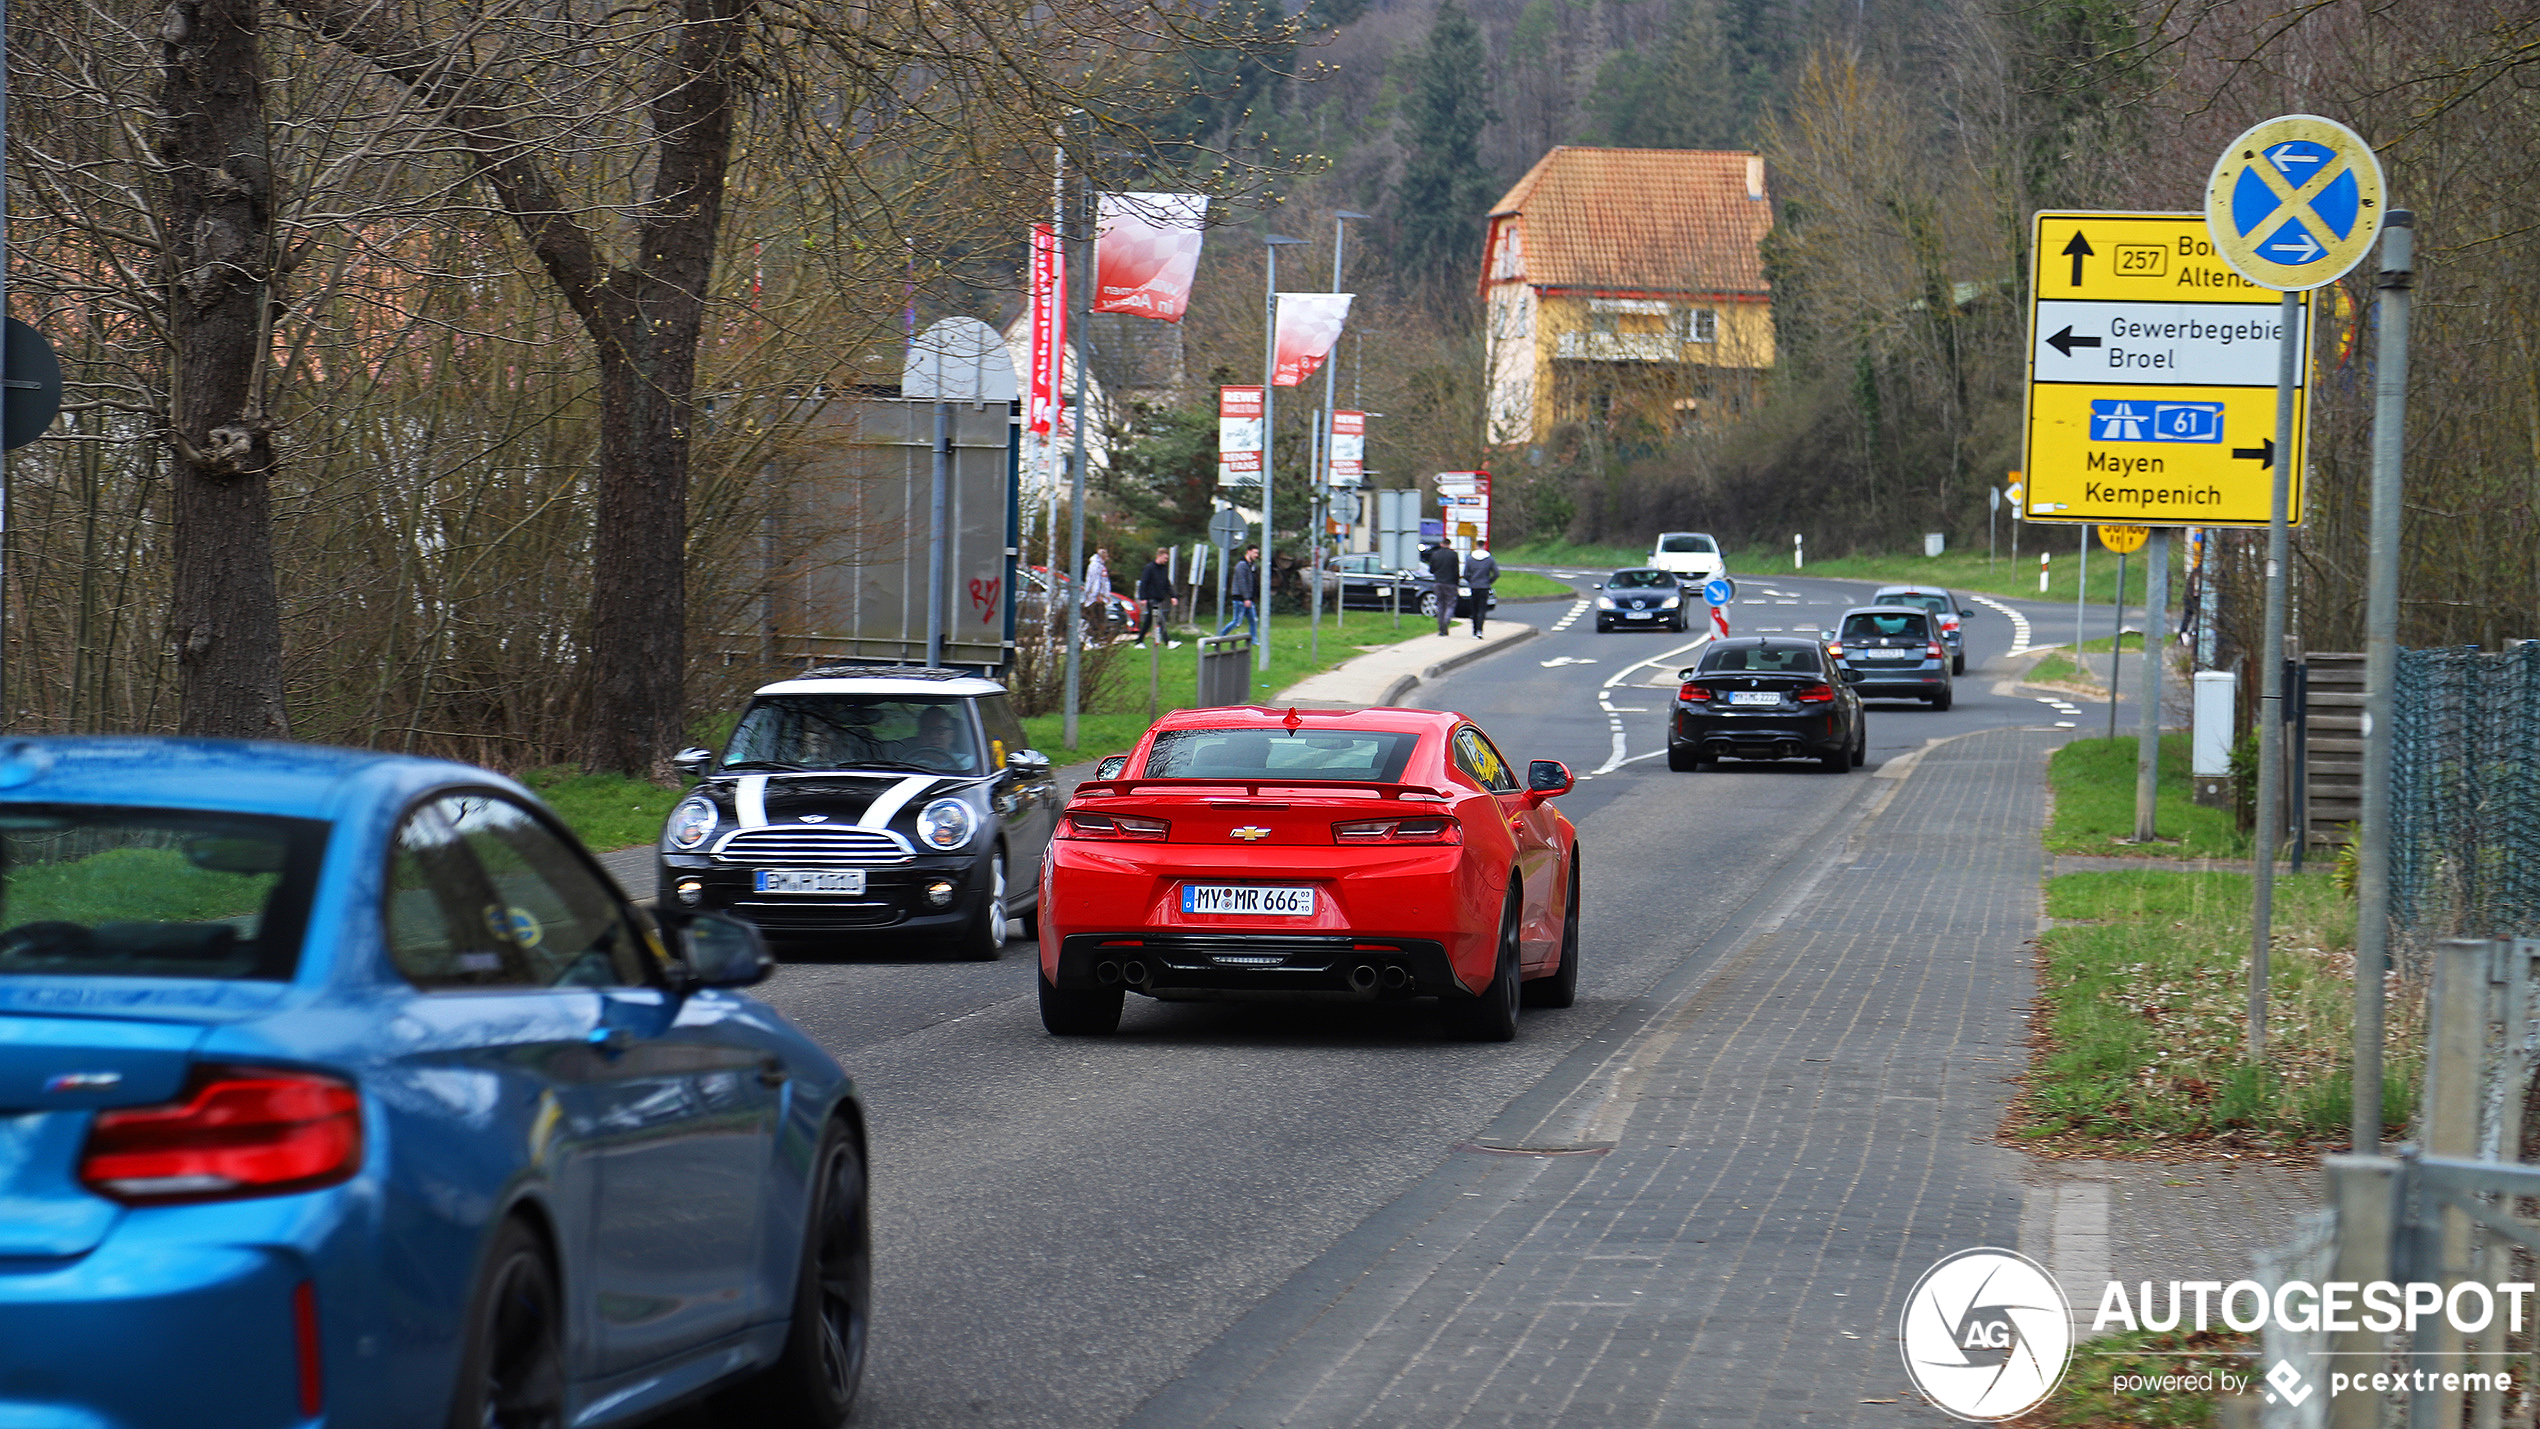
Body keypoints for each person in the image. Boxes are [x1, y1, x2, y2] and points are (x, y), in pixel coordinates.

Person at [1136, 547, 1180, 648]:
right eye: (1164, 558)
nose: (1166, 560)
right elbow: (1144, 583)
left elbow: (1167, 584)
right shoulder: (1149, 568)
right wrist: (1142, 598)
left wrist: (1173, 596)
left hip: (1159, 598)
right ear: (1158, 556)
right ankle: (1168, 641)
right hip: (1151, 599)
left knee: (1149, 621)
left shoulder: (1164, 569)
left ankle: (1139, 641)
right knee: (1160, 619)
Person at [1220, 545, 1260, 641]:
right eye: (1255, 552)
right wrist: (1246, 598)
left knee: (1253, 620)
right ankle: (1220, 636)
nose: (1256, 555)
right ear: (1248, 552)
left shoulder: (1252, 566)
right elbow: (1242, 582)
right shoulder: (1241, 565)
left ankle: (1254, 640)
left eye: (1257, 553)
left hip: (1249, 599)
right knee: (1237, 622)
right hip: (1240, 598)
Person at [1422, 540, 1462, 637]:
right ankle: (1446, 620)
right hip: (1450, 583)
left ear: (1441, 544)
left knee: (1440, 605)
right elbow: (1456, 571)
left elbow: (1431, 570)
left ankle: (1441, 629)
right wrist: (1457, 583)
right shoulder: (1453, 555)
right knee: (1450, 604)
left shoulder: (1435, 554)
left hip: (1438, 583)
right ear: (1449, 544)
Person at [1464, 537, 1499, 638]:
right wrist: (1489, 581)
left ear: (1475, 546)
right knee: (1482, 609)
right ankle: (1480, 630)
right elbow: (1496, 573)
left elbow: (1465, 574)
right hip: (1484, 586)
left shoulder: (1470, 559)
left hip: (1474, 587)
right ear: (1484, 546)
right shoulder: (1489, 559)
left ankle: (1474, 631)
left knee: (1474, 609)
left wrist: (1471, 581)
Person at [1083, 546, 1113, 637]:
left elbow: (1104, 581)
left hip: (1098, 597)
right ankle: (1090, 636)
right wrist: (1097, 594)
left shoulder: (1101, 566)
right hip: (1094, 597)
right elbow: (1094, 580)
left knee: (1099, 617)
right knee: (1094, 617)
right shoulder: (1095, 566)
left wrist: (1106, 595)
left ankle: (1096, 636)